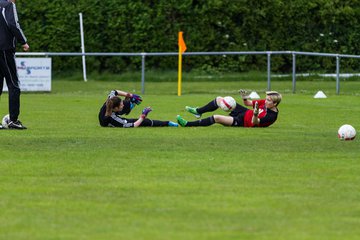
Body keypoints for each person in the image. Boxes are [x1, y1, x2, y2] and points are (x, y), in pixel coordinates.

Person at [176, 90, 282, 128]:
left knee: (216, 118)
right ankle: (198, 111)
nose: (266, 101)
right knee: (219, 99)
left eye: (268, 100)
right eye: (266, 99)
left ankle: (187, 124)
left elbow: (255, 123)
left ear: (275, 104)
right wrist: (244, 97)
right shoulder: (264, 103)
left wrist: (254, 114)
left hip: (242, 122)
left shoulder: (271, 116)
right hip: (244, 112)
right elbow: (247, 103)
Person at [0, 0, 29, 129]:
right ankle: (13, 120)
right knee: (13, 84)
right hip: (5, 48)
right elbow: (13, 24)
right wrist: (23, 41)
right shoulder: (9, 5)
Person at [99, 89, 178, 128]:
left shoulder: (110, 101)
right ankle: (167, 123)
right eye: (121, 105)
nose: (122, 105)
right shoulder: (114, 119)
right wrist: (143, 115)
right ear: (115, 108)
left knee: (126, 103)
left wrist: (131, 95)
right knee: (143, 122)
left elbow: (114, 91)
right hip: (111, 119)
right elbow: (133, 125)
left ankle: (131, 104)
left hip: (112, 112)